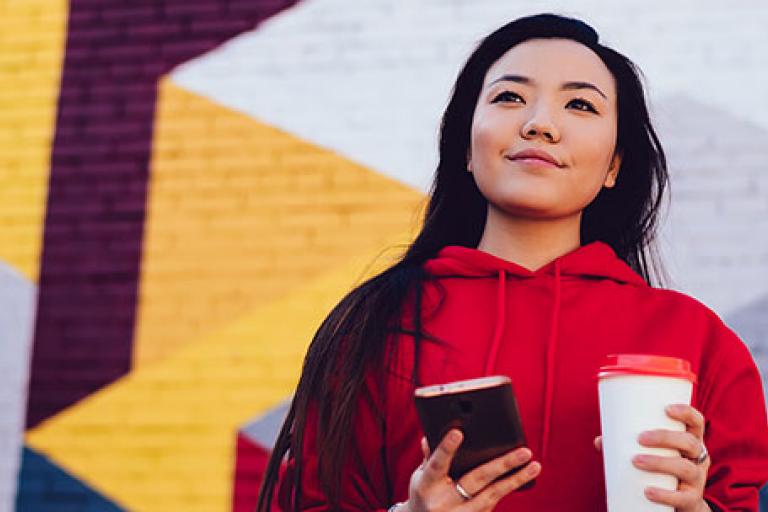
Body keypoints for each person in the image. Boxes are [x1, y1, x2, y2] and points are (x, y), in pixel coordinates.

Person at [257, 13, 768, 512]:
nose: (540, 124)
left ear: (614, 166)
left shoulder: (698, 339)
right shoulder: (377, 322)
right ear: (465, 147)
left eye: (581, 106)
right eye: (509, 97)